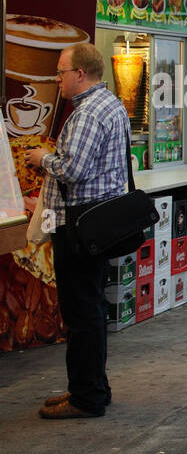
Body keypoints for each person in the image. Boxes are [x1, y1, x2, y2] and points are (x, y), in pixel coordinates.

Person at [23, 42, 129, 419]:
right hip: (95, 225)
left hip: (78, 228)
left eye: (61, 71)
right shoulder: (112, 105)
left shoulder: (86, 114)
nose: (57, 78)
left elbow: (73, 170)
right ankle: (93, 387)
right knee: (92, 308)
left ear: (80, 74)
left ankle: (86, 398)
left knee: (81, 311)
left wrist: (41, 158)